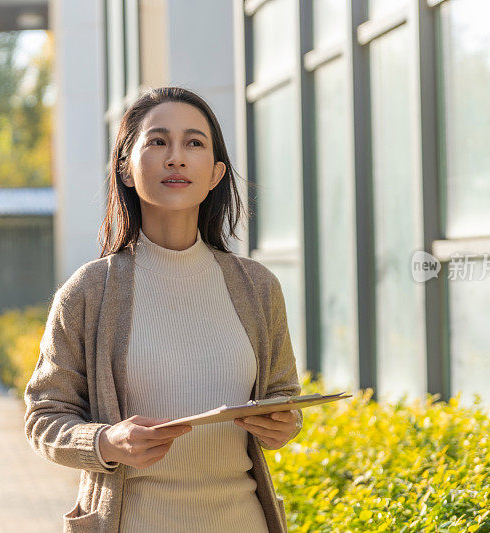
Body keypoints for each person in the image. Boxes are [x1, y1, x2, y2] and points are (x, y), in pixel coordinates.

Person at [24, 86, 303, 533]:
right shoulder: (89, 292)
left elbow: (284, 398)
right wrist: (107, 441)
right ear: (127, 170)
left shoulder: (258, 288)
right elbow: (43, 416)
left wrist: (284, 425)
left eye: (194, 143)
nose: (176, 158)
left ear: (215, 174)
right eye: (158, 142)